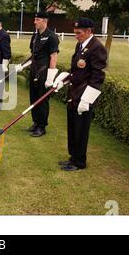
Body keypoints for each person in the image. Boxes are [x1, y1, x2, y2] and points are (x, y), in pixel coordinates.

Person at [53, 18, 107, 171]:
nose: (75, 35)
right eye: (75, 32)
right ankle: (72, 157)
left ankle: (79, 162)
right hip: (74, 93)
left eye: (79, 33)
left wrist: (87, 100)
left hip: (84, 96)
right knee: (73, 127)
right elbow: (77, 71)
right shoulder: (81, 45)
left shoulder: (97, 48)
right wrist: (64, 79)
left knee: (81, 130)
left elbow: (98, 77)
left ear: (89, 31)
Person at [26, 12, 60, 137]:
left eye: (37, 19)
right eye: (35, 19)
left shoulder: (52, 36)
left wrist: (50, 77)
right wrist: (23, 65)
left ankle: (42, 126)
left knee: (42, 99)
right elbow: (33, 55)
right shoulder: (35, 36)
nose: (34, 22)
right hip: (34, 70)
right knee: (33, 98)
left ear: (44, 21)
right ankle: (36, 122)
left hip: (44, 72)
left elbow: (53, 56)